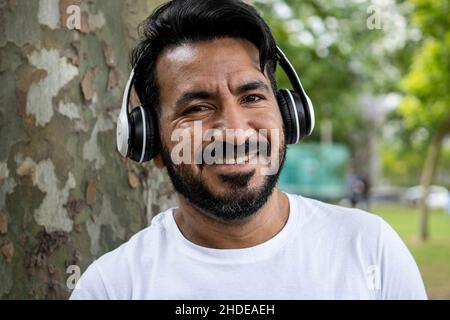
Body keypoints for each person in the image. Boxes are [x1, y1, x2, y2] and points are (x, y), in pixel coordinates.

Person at [70, 0, 427, 300]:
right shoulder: (110, 288)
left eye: (252, 97)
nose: (236, 131)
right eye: (197, 108)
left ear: (289, 117)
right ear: (151, 142)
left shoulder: (370, 248)